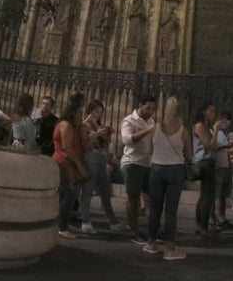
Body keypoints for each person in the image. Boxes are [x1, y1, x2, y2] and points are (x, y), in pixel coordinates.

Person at [146, 96, 190, 260]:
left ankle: (151, 243)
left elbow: (150, 150)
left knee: (155, 208)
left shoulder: (155, 128)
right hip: (175, 170)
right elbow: (189, 154)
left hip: (156, 169)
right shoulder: (184, 131)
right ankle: (170, 248)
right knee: (170, 210)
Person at [76, 99, 123, 233]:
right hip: (90, 159)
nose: (97, 114)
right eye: (95, 111)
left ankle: (113, 221)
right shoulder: (84, 125)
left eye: (100, 112)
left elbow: (105, 146)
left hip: (101, 160)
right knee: (88, 190)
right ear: (90, 111)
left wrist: (105, 134)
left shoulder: (97, 125)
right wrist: (97, 133)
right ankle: (85, 221)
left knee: (105, 191)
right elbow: (86, 146)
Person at [121, 93, 157, 244]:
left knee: (151, 197)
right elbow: (127, 140)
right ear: (140, 105)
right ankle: (134, 231)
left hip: (147, 164)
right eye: (148, 108)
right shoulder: (129, 120)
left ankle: (152, 230)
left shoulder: (151, 120)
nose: (150, 111)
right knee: (133, 198)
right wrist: (148, 130)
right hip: (132, 163)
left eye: (153, 109)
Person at [53, 92, 87, 240]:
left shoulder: (69, 125)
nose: (81, 115)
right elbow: (66, 147)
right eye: (80, 113)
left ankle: (60, 225)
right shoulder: (66, 125)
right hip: (64, 162)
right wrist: (79, 164)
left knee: (65, 194)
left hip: (65, 161)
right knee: (67, 194)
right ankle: (62, 227)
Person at [191, 102, 221, 237]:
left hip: (207, 161)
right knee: (208, 196)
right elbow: (211, 146)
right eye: (211, 110)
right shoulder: (200, 126)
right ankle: (203, 226)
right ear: (204, 112)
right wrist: (216, 131)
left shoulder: (205, 127)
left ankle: (200, 225)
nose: (214, 114)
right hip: (205, 162)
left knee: (205, 195)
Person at [212, 112, 233, 230]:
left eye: (228, 120)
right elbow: (212, 148)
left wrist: (231, 166)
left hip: (225, 166)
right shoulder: (214, 132)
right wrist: (226, 147)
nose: (227, 123)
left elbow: (226, 153)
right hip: (218, 167)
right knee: (217, 195)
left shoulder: (224, 133)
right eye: (224, 120)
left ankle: (222, 218)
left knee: (223, 195)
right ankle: (215, 219)